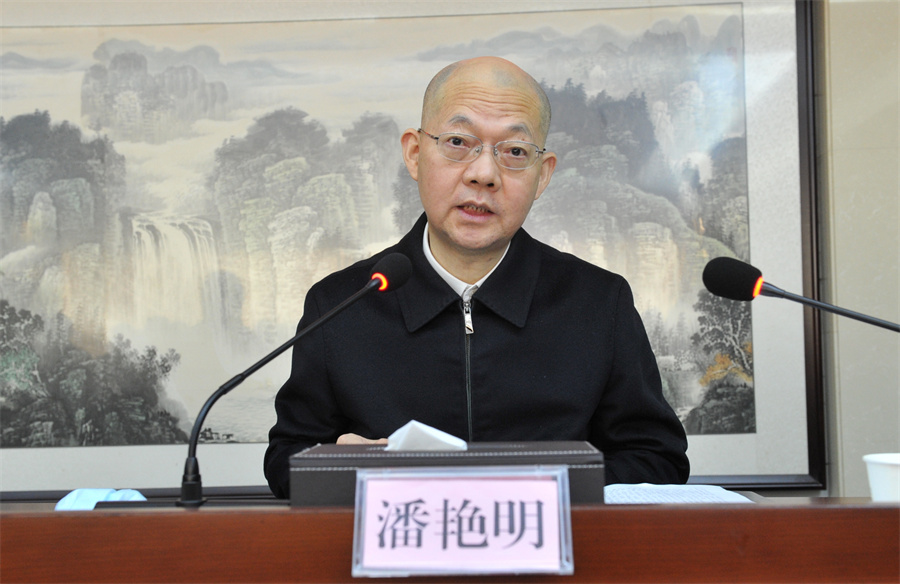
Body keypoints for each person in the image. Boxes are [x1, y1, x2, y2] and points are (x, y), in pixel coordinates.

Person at [264, 56, 689, 498]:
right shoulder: (340, 304)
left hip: (546, 542)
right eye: (457, 142)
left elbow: (657, 459)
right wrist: (340, 466)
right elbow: (285, 460)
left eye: (515, 152)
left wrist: (532, 490)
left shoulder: (599, 303)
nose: (483, 174)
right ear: (414, 153)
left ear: (543, 175)